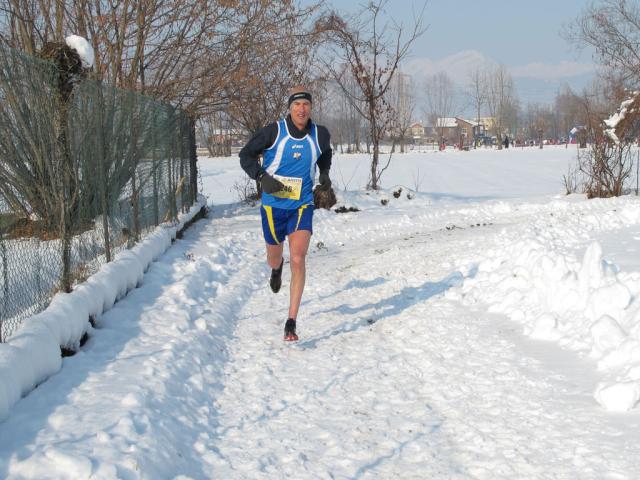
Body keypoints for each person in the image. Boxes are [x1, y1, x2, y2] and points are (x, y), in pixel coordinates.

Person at [239, 86, 332, 341]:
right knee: (274, 255)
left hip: (302, 205)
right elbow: (245, 155)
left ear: (310, 108)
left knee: (299, 258)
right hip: (273, 207)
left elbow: (326, 153)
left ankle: (291, 321)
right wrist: (261, 177)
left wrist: (324, 173)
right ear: (290, 108)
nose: (302, 109)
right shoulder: (273, 132)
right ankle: (277, 268)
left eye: (306, 105)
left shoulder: (319, 134)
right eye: (297, 105)